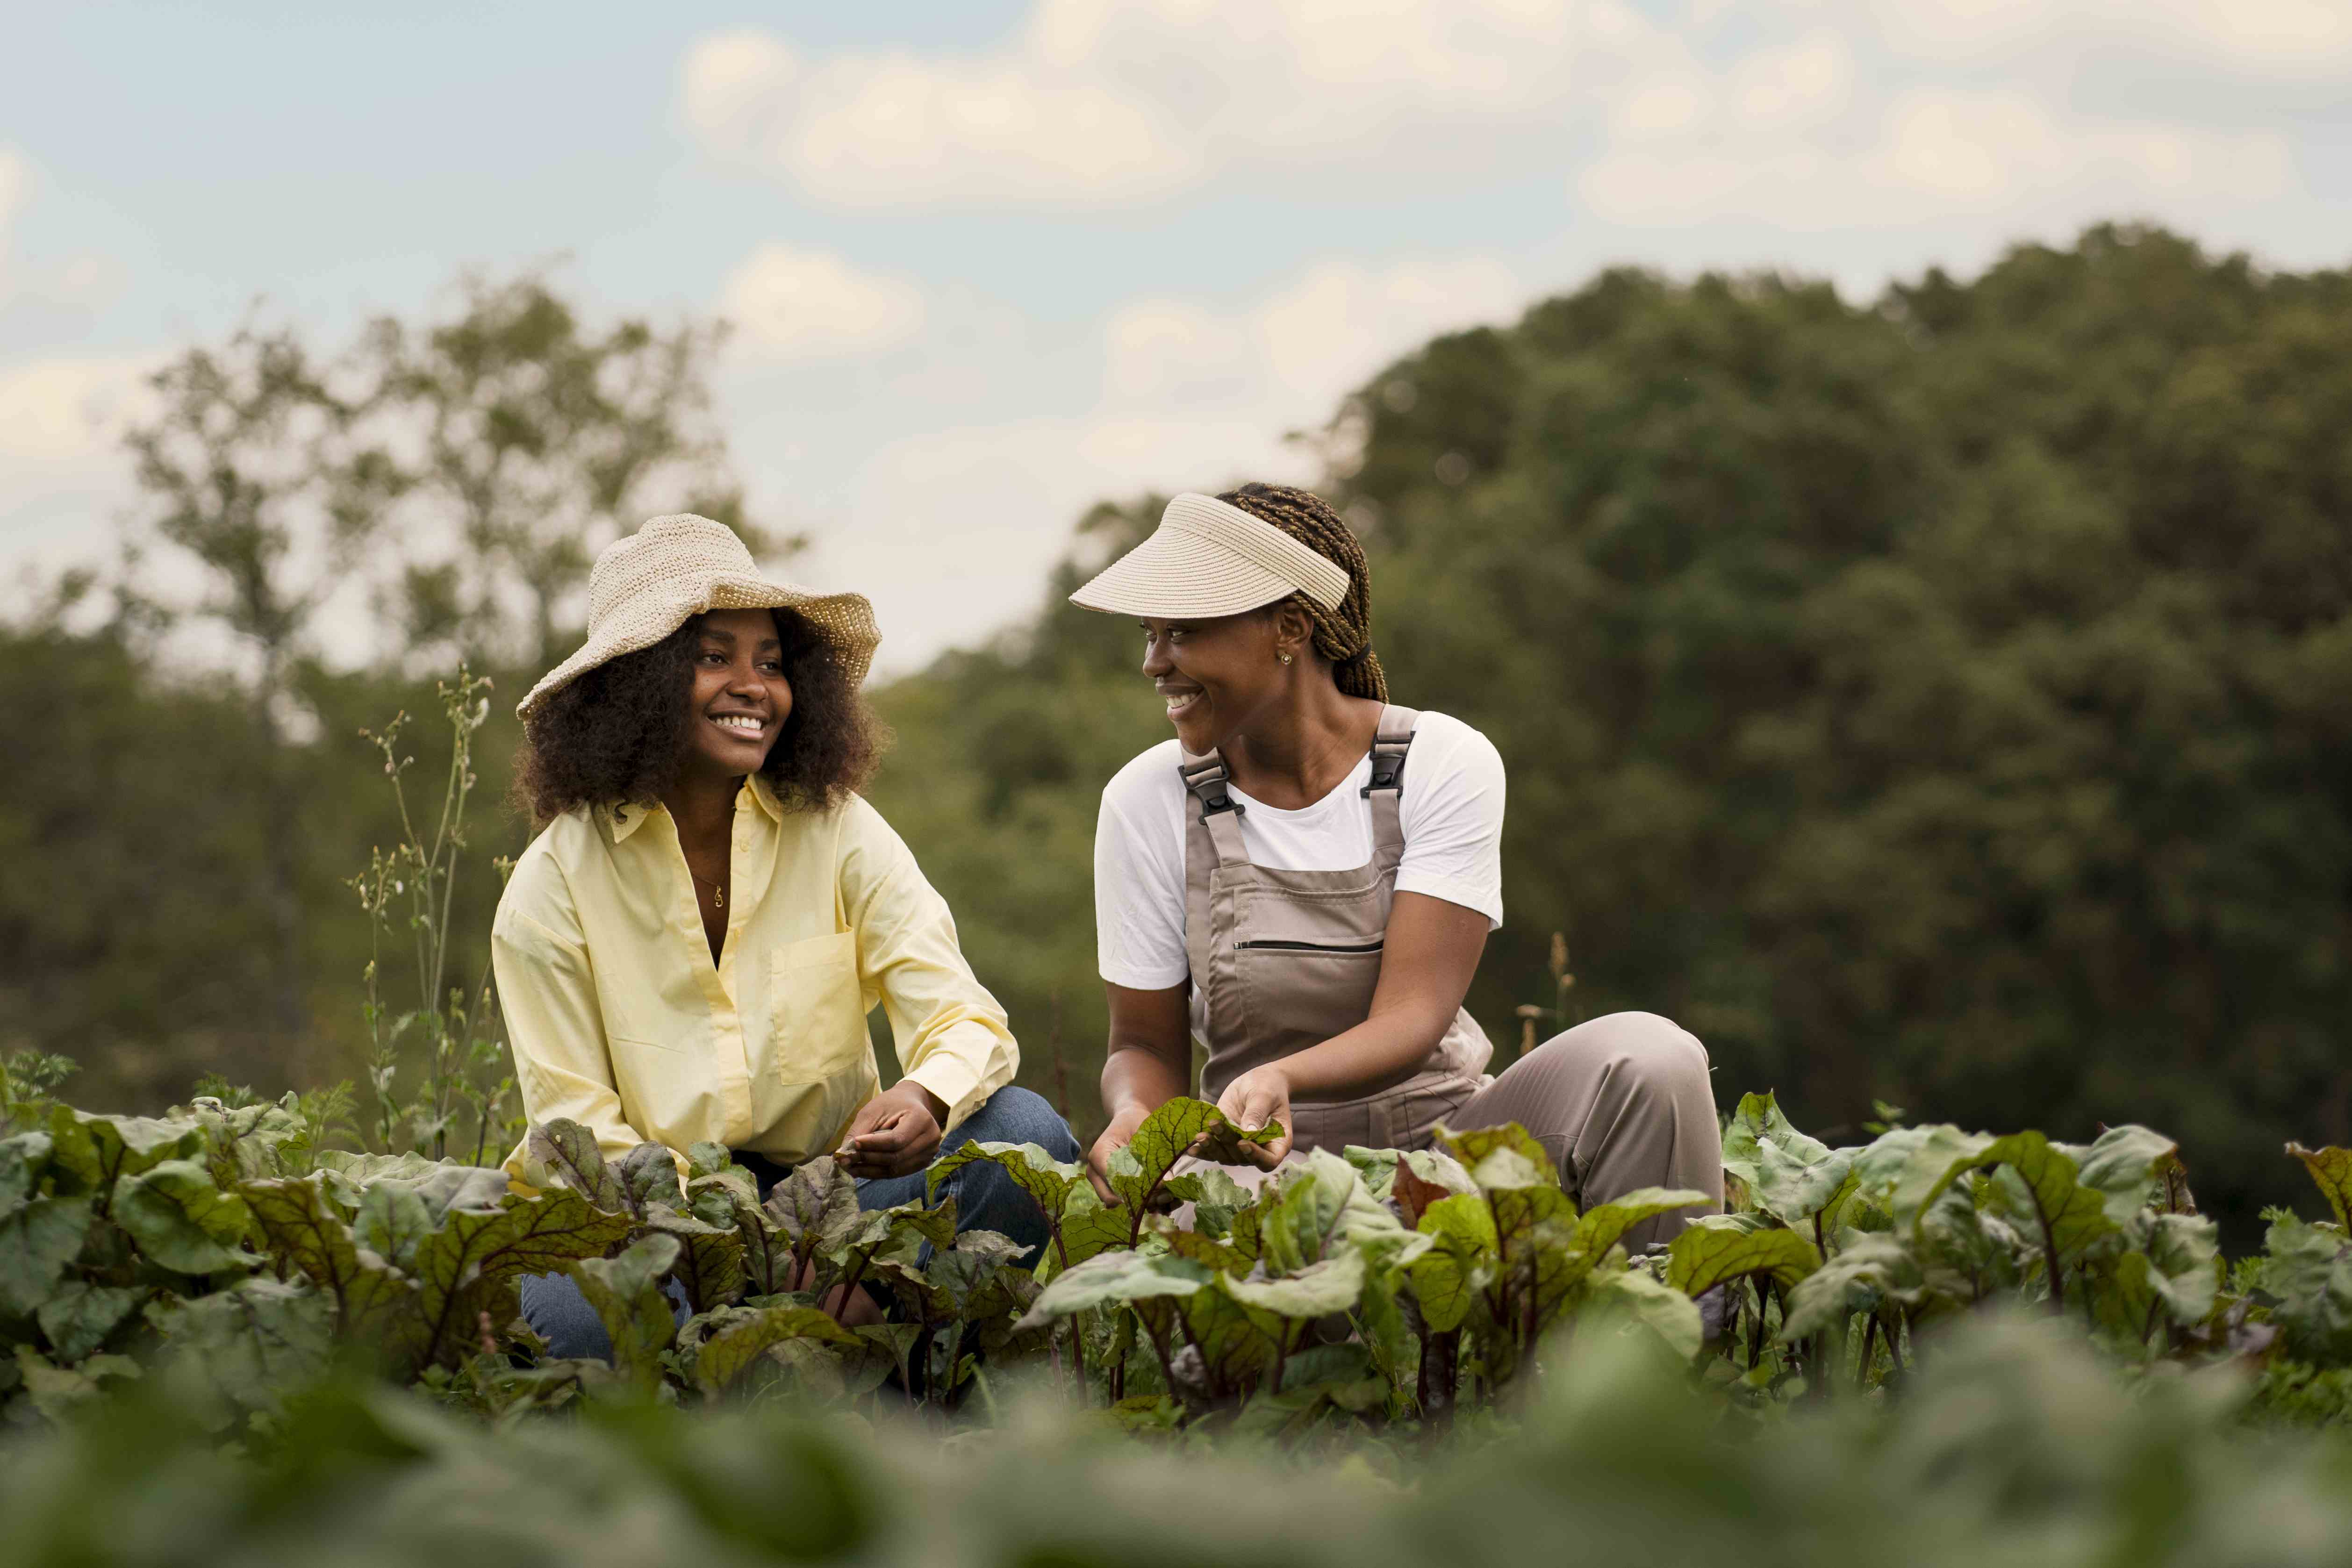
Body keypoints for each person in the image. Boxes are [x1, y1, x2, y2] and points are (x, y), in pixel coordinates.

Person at [1072, 485, 1721, 1250]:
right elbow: (1144, 1047)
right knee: (1205, 1219)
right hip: (1263, 1164)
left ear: (1290, 628)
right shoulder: (1146, 800)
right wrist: (1134, 1119)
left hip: (1453, 1148)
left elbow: (1414, 1018)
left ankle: (1664, 1350)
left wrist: (1285, 1076)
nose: (1154, 664)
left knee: (1655, 1059)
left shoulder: (1439, 761)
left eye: (1181, 632)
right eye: (1149, 635)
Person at [498, 514, 1077, 1359]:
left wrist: (924, 1098)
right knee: (590, 1318)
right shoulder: (551, 888)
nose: (754, 686)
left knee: (1025, 1133)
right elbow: (579, 1141)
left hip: (830, 1201)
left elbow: (963, 1016)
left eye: (771, 662)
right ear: (638, 682)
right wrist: (751, 1253)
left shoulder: (839, 830)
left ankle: (899, 1380)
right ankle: (817, 1344)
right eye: (714, 656)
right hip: (648, 1226)